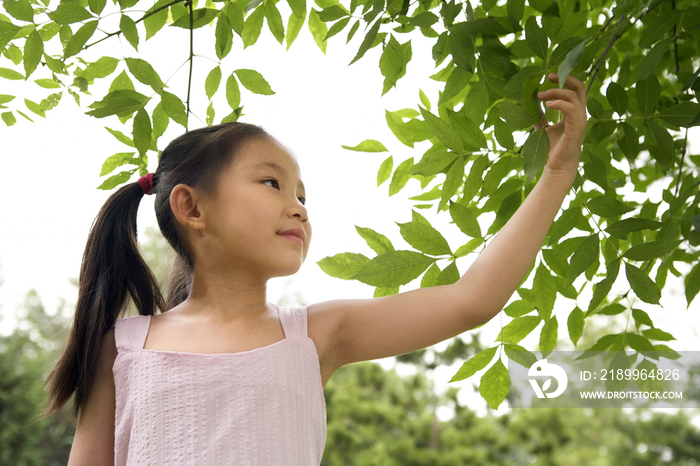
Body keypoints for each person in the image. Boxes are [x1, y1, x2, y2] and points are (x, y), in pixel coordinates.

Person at [45, 73, 587, 465]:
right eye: (271, 183)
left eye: (303, 195)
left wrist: (557, 176)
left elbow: (473, 299)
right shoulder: (124, 346)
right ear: (191, 208)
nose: (299, 207)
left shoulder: (316, 335)